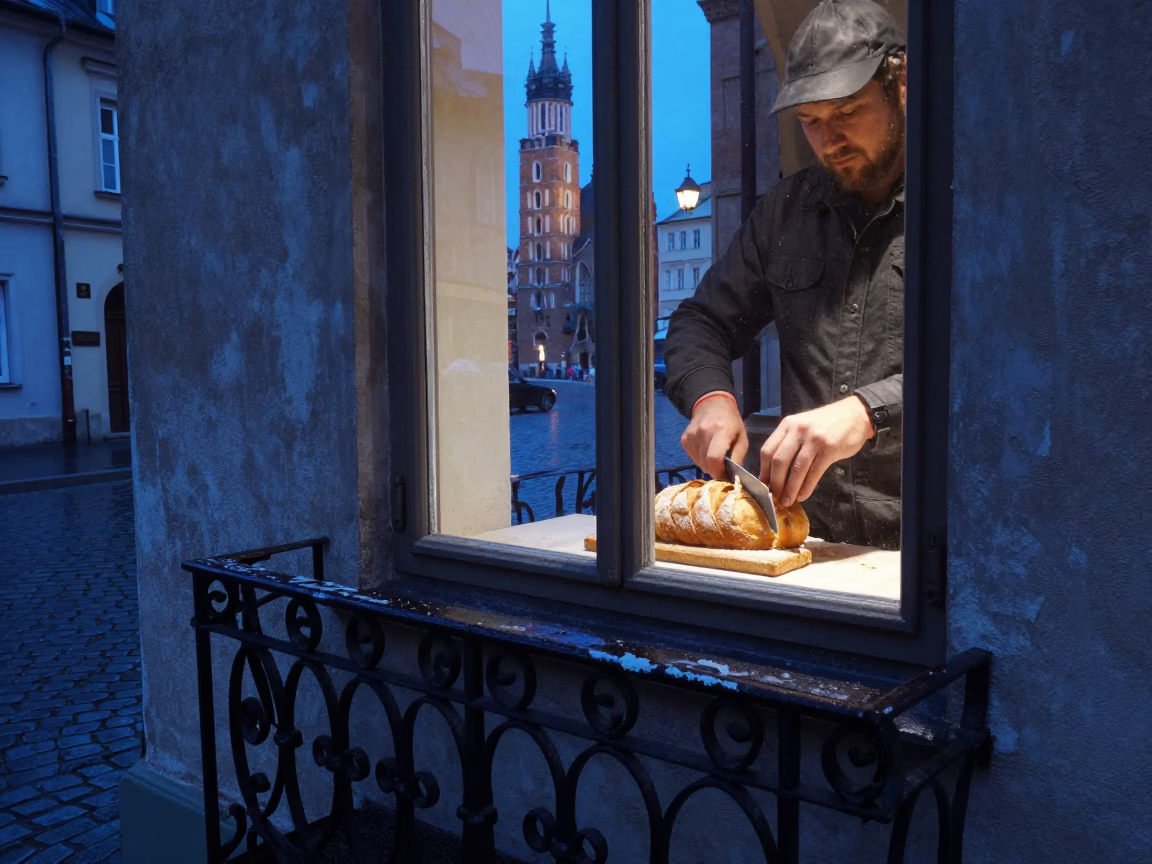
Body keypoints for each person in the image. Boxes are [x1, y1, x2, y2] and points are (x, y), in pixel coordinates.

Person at [664, 0, 906, 549]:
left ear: (902, 85)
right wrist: (711, 398)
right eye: (810, 123)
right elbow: (700, 320)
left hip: (938, 551)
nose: (828, 142)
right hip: (809, 545)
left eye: (846, 113)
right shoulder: (786, 211)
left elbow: (993, 366)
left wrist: (869, 411)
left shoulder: (963, 201)